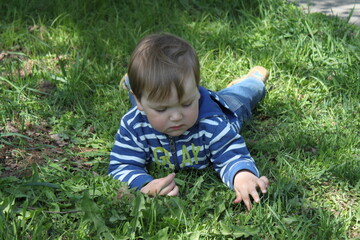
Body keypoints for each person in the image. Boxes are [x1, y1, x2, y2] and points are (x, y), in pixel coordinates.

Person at [109, 33, 269, 210]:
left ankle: (253, 81)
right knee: (148, 98)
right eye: (162, 109)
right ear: (138, 100)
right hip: (154, 100)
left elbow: (230, 153)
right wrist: (145, 184)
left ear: (196, 91)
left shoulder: (212, 124)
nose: (177, 116)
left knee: (241, 98)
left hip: (222, 107)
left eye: (186, 104)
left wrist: (242, 175)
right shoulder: (134, 126)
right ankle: (134, 82)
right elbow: (122, 164)